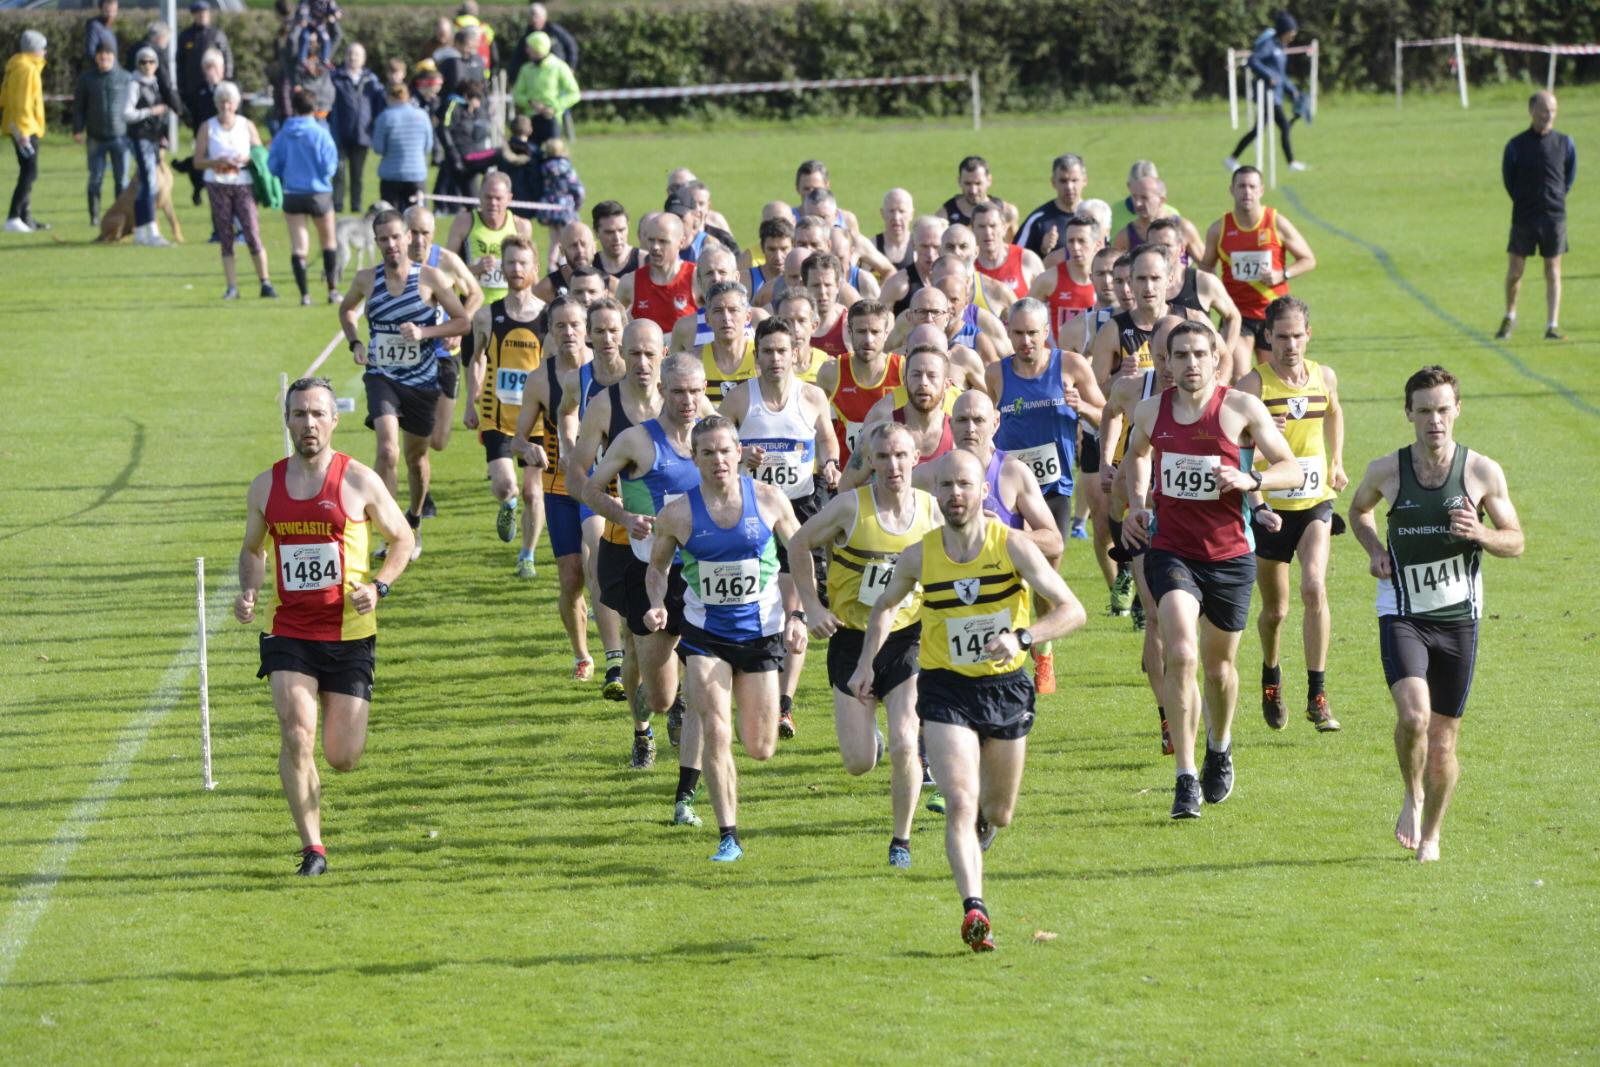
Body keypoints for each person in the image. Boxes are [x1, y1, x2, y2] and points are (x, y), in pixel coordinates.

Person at [852, 449, 1085, 950]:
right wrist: (866, 663)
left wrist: (1023, 638)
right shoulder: (919, 555)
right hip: (945, 689)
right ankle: (974, 909)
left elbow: (1073, 610)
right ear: (935, 495)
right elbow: (885, 608)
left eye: (964, 486)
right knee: (958, 799)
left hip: (1005, 688)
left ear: (984, 492)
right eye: (945, 486)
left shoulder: (1013, 545)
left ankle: (985, 824)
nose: (954, 495)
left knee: (997, 812)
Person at [1119, 322, 1302, 819]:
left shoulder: (1240, 408)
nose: (1191, 363)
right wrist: (1138, 503)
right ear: (1167, 362)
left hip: (1230, 554)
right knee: (1180, 651)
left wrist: (1251, 476)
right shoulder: (1150, 410)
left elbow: (1293, 466)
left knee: (1220, 668)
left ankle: (1218, 748)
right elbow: (1135, 456)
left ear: (1216, 361)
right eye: (1181, 355)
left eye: (1201, 354)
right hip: (1171, 549)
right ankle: (1184, 778)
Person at [234, 375, 414, 876]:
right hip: (289, 629)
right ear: (288, 421)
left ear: (334, 420)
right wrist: (249, 590)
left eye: (318, 414)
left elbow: (401, 539)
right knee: (296, 733)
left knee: (342, 756)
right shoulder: (265, 486)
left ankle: (317, 825)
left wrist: (378, 586)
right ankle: (313, 848)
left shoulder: (358, 480)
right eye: (299, 414)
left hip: (350, 633)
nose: (308, 423)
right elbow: (251, 551)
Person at [1347, 365, 1523, 863]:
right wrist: (1374, 549)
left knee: (1444, 743)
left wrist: (1482, 534)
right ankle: (1411, 791)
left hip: (1459, 620)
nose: (1435, 420)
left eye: (1443, 409)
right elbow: (1358, 511)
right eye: (1424, 411)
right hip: (1403, 611)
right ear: (1409, 414)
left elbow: (1517, 541)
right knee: (1413, 715)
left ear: (1457, 410)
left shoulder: (1482, 472)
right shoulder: (1387, 470)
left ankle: (1432, 834)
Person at [645, 415, 804, 862]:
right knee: (715, 727)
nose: (718, 460)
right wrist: (657, 602)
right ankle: (728, 835)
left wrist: (799, 613)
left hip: (761, 633)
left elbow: (801, 552)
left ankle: (752, 731)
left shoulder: (770, 500)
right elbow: (656, 568)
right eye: (707, 452)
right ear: (694, 459)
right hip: (705, 634)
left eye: (725, 450)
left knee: (760, 746)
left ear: (740, 452)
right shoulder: (677, 513)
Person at [789, 421, 936, 867]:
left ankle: (901, 842)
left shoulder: (932, 511)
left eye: (901, 456)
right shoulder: (850, 508)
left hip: (907, 638)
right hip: (851, 638)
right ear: (870, 461)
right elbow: (797, 543)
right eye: (884, 457)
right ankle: (867, 731)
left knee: (906, 742)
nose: (893, 466)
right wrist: (812, 607)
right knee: (859, 762)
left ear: (916, 458)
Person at [583, 348, 709, 791]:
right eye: (678, 392)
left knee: (704, 668)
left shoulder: (712, 436)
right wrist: (622, 517)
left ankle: (692, 778)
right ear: (662, 392)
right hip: (649, 569)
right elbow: (589, 488)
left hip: (700, 572)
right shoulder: (636, 440)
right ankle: (648, 722)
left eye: (696, 392)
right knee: (657, 692)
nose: (688, 401)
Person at [719, 318, 840, 740]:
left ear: (795, 355)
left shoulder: (812, 397)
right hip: (753, 510)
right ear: (757, 357)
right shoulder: (738, 401)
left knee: (797, 601)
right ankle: (749, 680)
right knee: (758, 596)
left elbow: (828, 440)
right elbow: (712, 450)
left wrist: (829, 462)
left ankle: (784, 704)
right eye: (766, 351)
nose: (774, 359)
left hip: (803, 506)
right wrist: (739, 459)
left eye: (781, 351)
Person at [1232, 296, 1345, 731]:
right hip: (1269, 510)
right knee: (1275, 611)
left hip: (1314, 502)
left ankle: (1318, 694)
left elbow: (1334, 413)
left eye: (1298, 336)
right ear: (1267, 337)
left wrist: (1336, 462)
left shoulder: (1324, 377)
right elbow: (1236, 450)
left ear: (1308, 335)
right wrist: (1261, 440)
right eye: (1282, 336)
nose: (1291, 345)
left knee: (1314, 587)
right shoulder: (1253, 385)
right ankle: (1271, 674)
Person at [337, 209, 471, 559]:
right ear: (377, 242)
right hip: (382, 376)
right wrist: (355, 342)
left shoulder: (430, 277)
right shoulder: (367, 279)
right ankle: (392, 532)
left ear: (408, 237)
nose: (391, 245)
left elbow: (461, 323)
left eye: (397, 237)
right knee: (387, 450)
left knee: (416, 457)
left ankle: (414, 519)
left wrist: (425, 332)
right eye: (384, 239)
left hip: (422, 381)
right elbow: (347, 310)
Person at [987, 298, 1105, 690]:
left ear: (1046, 332)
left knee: (1043, 579)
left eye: (1033, 333)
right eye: (1018, 333)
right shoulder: (996, 374)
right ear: (1008, 331)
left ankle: (1043, 651)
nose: (1025, 341)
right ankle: (1004, 652)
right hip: (1009, 490)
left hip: (1054, 488)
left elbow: (1108, 416)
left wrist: (1082, 405)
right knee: (1004, 576)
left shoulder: (1070, 365)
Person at [465, 235, 543, 575]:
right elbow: (476, 359)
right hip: (497, 416)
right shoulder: (486, 316)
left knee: (532, 491)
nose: (515, 269)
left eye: (522, 263)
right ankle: (507, 504)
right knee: (504, 485)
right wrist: (472, 399)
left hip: (537, 420)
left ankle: (527, 555)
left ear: (533, 268)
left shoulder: (546, 316)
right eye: (510, 262)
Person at [1199, 165, 1317, 377]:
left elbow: (1308, 259)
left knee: (1276, 376)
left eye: (1252, 186)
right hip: (1237, 313)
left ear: (1261, 190)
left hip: (1273, 314)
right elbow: (1206, 265)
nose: (1247, 192)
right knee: (1238, 374)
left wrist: (1282, 274)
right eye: (1241, 186)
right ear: (1231, 190)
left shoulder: (1275, 222)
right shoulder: (1219, 229)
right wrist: (1215, 291)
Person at [402, 203, 485, 461]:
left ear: (433, 232)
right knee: (412, 437)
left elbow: (476, 293)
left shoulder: (447, 261)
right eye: (412, 232)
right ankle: (422, 493)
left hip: (444, 355)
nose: (418, 239)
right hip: (408, 357)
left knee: (438, 440)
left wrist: (460, 326)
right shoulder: (396, 263)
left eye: (424, 232)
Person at [1497, 91, 1577, 341]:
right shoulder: (1516, 146)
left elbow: (1568, 178)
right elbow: (1509, 179)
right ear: (1531, 111)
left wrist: (1554, 199)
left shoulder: (1565, 143)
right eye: (1544, 110)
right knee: (1515, 271)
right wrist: (1525, 200)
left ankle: (1552, 325)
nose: (1548, 115)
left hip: (1554, 217)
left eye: (1552, 110)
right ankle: (1510, 317)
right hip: (1524, 216)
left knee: (1553, 271)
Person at [195, 81, 276, 300]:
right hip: (218, 183)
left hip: (243, 182)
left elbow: (260, 152)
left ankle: (265, 282)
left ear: (236, 104)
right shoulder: (208, 127)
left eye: (229, 102)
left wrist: (247, 158)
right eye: (221, 102)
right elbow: (197, 161)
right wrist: (216, 161)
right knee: (225, 234)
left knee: (252, 231)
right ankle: (232, 286)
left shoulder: (246, 125)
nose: (225, 106)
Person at [269, 87, 340, 301]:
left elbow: (273, 165)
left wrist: (288, 174)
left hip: (292, 193)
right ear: (315, 107)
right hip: (319, 193)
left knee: (299, 245)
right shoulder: (320, 133)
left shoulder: (283, 134)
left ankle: (305, 295)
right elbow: (329, 166)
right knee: (328, 242)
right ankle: (332, 290)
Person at [1225, 12, 1309, 173]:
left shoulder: (1280, 48)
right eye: (1292, 32)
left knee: (1260, 130)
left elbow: (1281, 75)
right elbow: (1253, 60)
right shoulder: (1268, 45)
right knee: (1283, 126)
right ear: (1284, 30)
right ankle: (1291, 162)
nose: (1293, 36)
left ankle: (1232, 159)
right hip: (1266, 95)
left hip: (1275, 95)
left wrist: (1293, 91)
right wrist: (1267, 75)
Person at [446, 172, 536, 308]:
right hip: (471, 306)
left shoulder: (521, 226)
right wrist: (475, 269)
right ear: (479, 196)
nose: (493, 203)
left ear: (509, 199)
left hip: (510, 308)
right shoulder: (464, 222)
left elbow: (531, 273)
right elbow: (446, 270)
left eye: (498, 198)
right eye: (488, 197)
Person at [124, 47, 180, 248]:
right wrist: (150, 111)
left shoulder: (157, 83)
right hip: (140, 136)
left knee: (147, 184)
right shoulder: (134, 83)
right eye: (143, 62)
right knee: (149, 182)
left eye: (151, 62)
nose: (147, 66)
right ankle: (152, 231)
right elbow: (127, 113)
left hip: (154, 137)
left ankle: (141, 231)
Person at [72, 40, 130, 228]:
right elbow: (79, 107)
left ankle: (120, 214)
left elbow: (133, 105)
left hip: (120, 137)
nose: (104, 58)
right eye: (101, 55)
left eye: (108, 54)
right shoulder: (86, 79)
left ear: (114, 56)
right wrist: (77, 129)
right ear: (96, 57)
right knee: (95, 178)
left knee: (121, 179)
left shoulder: (125, 78)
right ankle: (94, 217)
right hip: (96, 137)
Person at [617, 212, 697, 333]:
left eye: (663, 241)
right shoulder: (630, 282)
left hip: (686, 352)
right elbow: (613, 322)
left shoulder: (696, 277)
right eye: (651, 240)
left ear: (681, 242)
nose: (655, 247)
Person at [330, 42, 385, 213]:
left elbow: (379, 106)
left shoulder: (371, 81)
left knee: (357, 175)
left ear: (363, 59)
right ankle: (337, 205)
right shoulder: (336, 78)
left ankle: (356, 206)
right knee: (338, 173)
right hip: (339, 133)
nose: (353, 57)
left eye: (357, 54)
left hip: (362, 134)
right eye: (350, 54)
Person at [1, 30, 46, 235]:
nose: (45, 52)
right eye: (43, 48)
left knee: (28, 171)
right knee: (30, 171)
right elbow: (23, 103)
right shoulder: (27, 69)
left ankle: (25, 217)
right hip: (25, 128)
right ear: (35, 49)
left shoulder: (16, 65)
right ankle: (13, 216)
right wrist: (24, 131)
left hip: (18, 126)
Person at [371, 81, 433, 210]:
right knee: (417, 216)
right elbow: (428, 146)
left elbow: (378, 148)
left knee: (391, 219)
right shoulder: (422, 115)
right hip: (416, 172)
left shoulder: (385, 117)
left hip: (391, 174)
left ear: (388, 97)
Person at [512, 31, 579, 144]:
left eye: (530, 47)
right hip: (531, 120)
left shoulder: (559, 66)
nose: (527, 50)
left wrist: (553, 107)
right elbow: (517, 94)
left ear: (538, 48)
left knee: (552, 155)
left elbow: (574, 93)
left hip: (551, 119)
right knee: (530, 157)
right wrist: (530, 103)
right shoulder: (526, 69)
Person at [1016, 153, 1088, 258]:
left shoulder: (1095, 216)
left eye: (1074, 180)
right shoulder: (1038, 221)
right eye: (1063, 181)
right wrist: (1042, 250)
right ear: (1053, 182)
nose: (1069, 186)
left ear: (1084, 181)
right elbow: (1015, 259)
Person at [177, 1, 233, 127]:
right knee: (198, 124)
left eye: (204, 12)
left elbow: (228, 59)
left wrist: (226, 80)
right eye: (199, 13)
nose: (202, 15)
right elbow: (180, 63)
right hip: (193, 88)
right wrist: (182, 86)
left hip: (214, 87)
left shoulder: (217, 35)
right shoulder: (186, 36)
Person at [972, 202, 1043, 300]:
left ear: (1004, 228)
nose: (988, 232)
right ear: (973, 230)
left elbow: (1046, 302)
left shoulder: (1027, 259)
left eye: (993, 226)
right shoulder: (966, 266)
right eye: (981, 226)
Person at [534, 137, 585, 263]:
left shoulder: (543, 167)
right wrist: (577, 204)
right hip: (564, 208)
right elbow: (577, 188)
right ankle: (564, 265)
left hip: (549, 209)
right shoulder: (566, 167)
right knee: (567, 240)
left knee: (554, 240)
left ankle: (551, 266)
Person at [939, 155, 1018, 234]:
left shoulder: (1007, 212)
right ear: (959, 181)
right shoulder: (944, 217)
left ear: (989, 180)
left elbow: (1014, 245)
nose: (973, 191)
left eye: (978, 183)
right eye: (967, 183)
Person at [509, 2, 579, 82]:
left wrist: (571, 67)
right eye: (531, 16)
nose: (534, 19)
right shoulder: (526, 36)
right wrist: (513, 77)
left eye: (537, 16)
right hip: (536, 78)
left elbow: (572, 47)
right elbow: (518, 57)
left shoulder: (555, 31)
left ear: (544, 17)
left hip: (558, 75)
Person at [592, 199, 641, 283]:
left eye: (621, 230)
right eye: (609, 232)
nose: (617, 238)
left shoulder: (644, 261)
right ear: (596, 233)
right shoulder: (591, 265)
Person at [873, 188, 915, 270]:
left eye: (902, 211)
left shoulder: (920, 247)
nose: (896, 217)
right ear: (882, 213)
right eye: (891, 211)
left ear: (912, 214)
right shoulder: (871, 247)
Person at [85, 0, 119, 65]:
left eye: (114, 11)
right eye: (107, 11)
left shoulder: (109, 29)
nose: (111, 15)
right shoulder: (94, 27)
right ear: (101, 9)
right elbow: (90, 52)